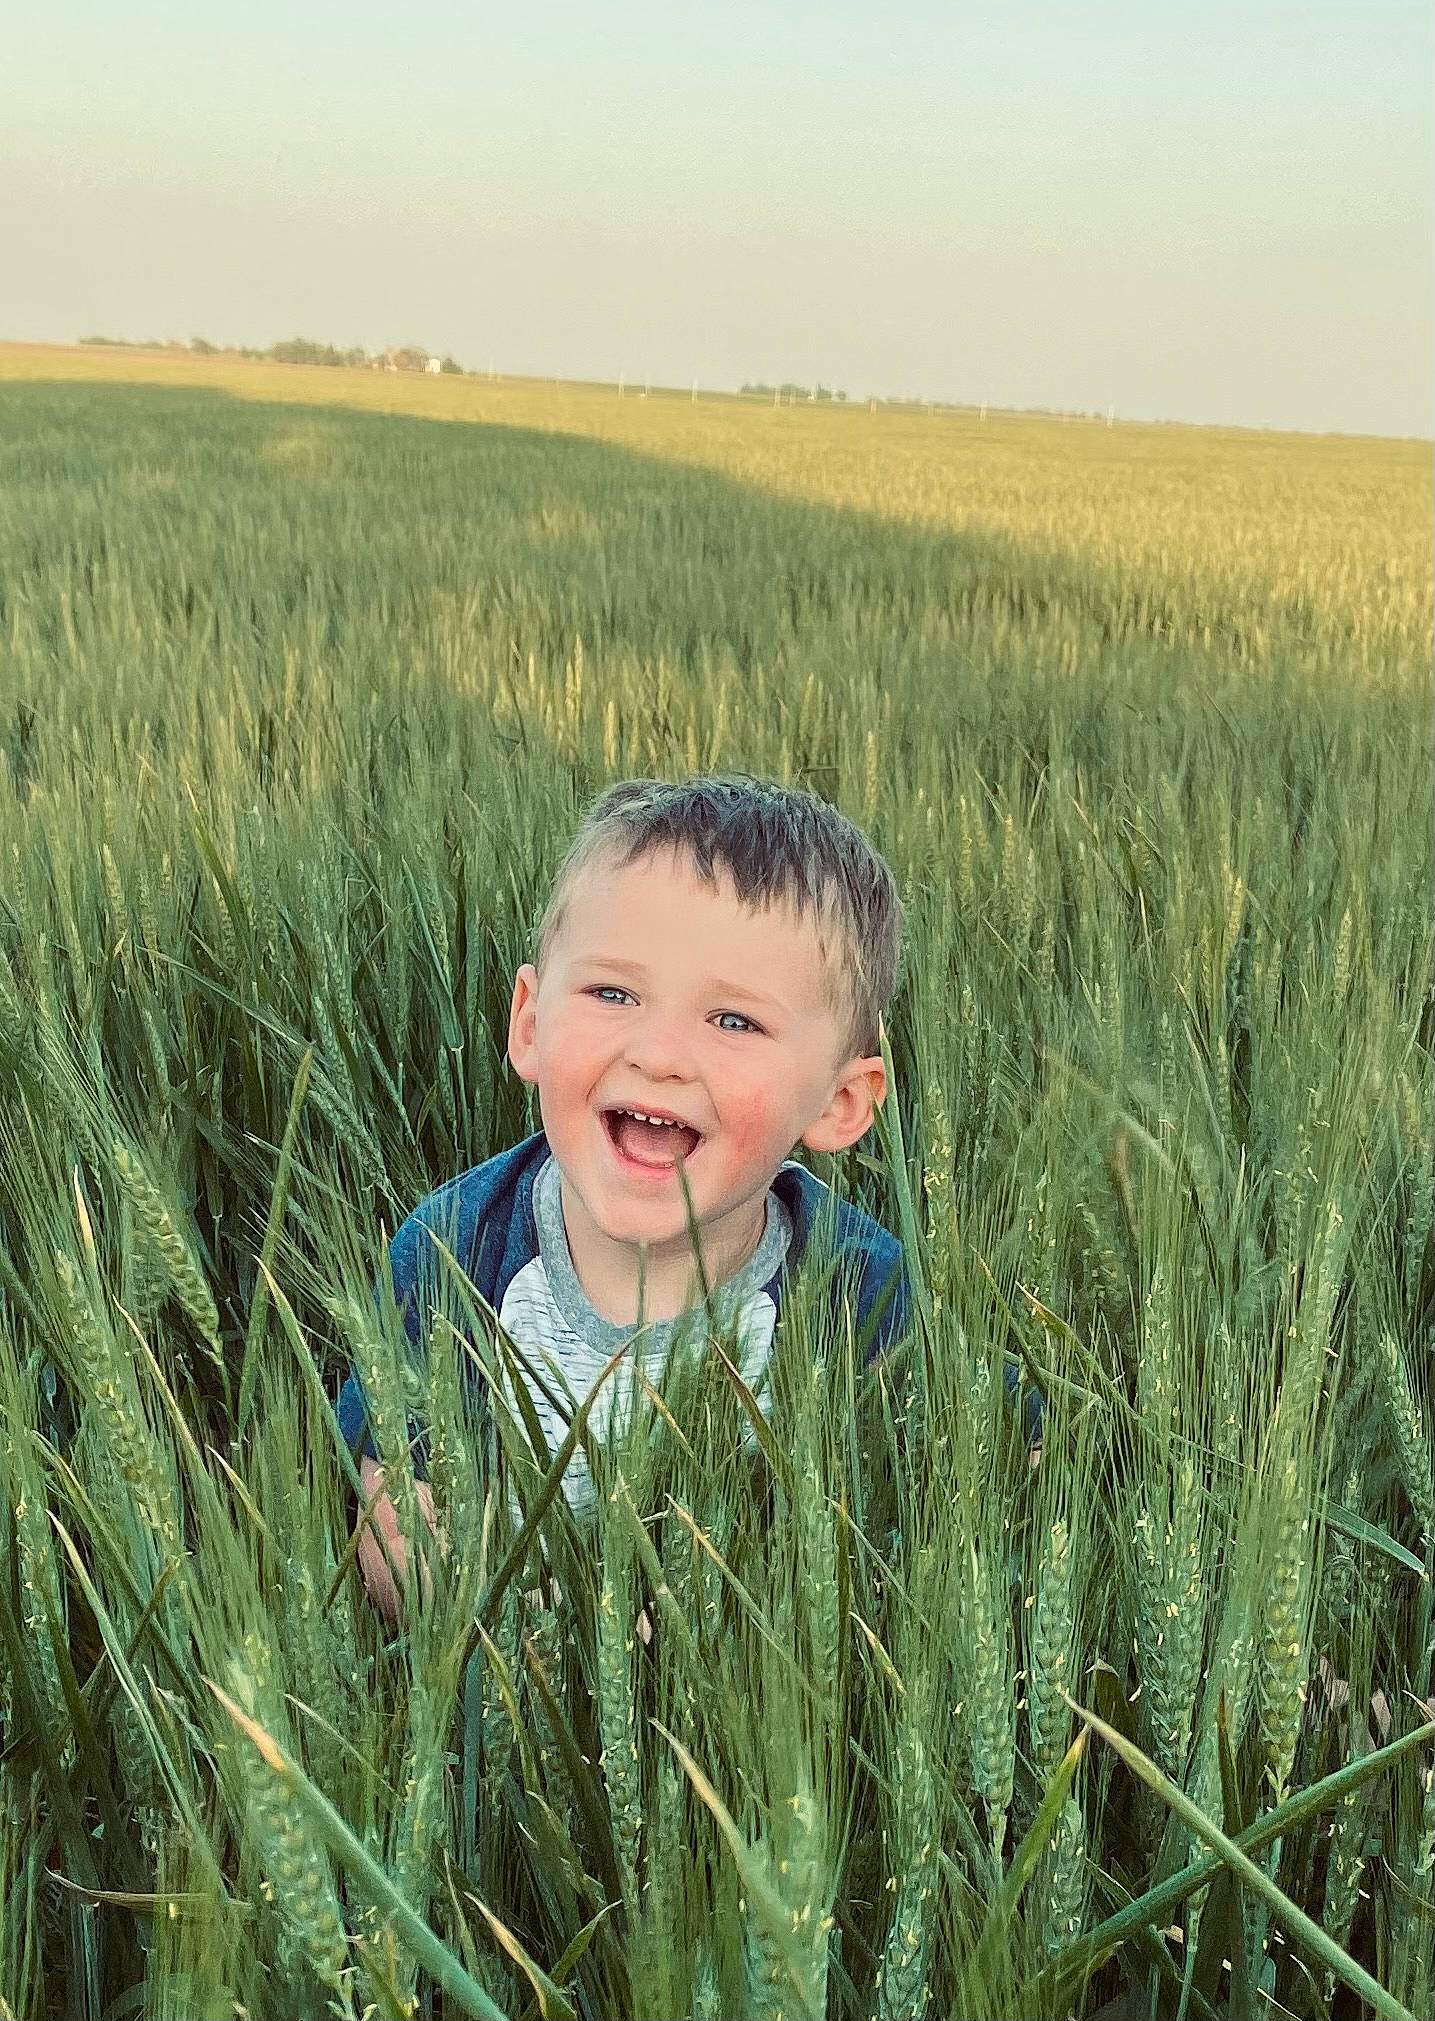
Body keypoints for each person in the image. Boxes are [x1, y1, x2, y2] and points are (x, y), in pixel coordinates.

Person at [338, 772, 911, 1619]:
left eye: (733, 1021)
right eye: (613, 993)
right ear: (529, 1022)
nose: (659, 1053)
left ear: (838, 1102)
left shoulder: (857, 1288)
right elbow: (394, 1525)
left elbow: (1001, 1461)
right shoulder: (456, 1249)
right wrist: (540, 1631)